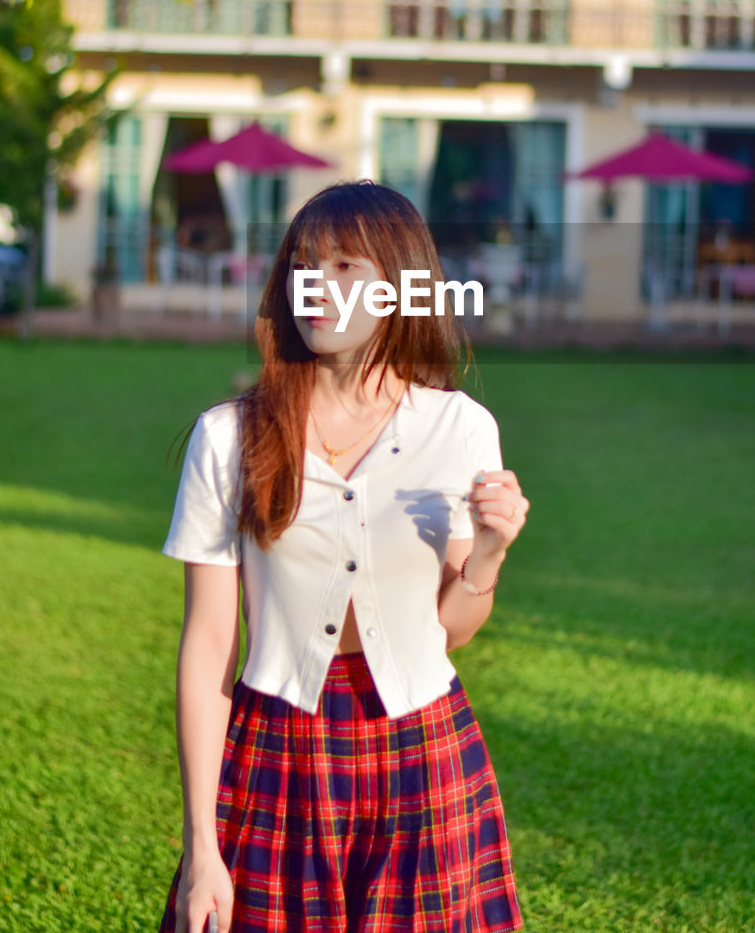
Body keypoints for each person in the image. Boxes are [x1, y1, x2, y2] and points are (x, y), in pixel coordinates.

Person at [158, 180, 530, 933]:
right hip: (276, 750)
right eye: (302, 266)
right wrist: (202, 846)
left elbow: (451, 628)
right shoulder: (228, 438)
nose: (315, 288)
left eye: (345, 269)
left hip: (424, 747)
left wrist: (487, 555)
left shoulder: (458, 427)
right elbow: (206, 649)